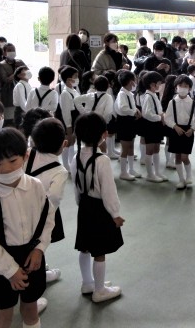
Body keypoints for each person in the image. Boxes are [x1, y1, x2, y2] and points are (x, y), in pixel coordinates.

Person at [0, 128, 54, 328]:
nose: (6, 169)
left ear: (25, 156)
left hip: (32, 257)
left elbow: (47, 219)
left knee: (30, 308)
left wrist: (39, 249)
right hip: (0, 263)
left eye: (12, 161)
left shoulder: (36, 186)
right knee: (3, 316)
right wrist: (10, 271)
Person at [72, 112, 124, 303]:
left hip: (84, 206)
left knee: (85, 247)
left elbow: (76, 186)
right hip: (100, 209)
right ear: (104, 134)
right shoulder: (102, 160)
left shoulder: (76, 157)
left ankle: (87, 283)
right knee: (100, 252)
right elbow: (109, 191)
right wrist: (115, 213)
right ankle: (100, 290)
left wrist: (81, 204)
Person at [26, 118, 69, 283]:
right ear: (64, 144)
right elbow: (54, 198)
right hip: (41, 213)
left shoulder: (27, 154)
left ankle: (40, 269)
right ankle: (38, 276)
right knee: (37, 244)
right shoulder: (60, 171)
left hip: (17, 206)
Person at [165, 75, 195, 190]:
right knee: (177, 157)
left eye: (186, 86)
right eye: (180, 85)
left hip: (188, 131)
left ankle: (189, 176)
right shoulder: (172, 102)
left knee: (185, 156)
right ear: (176, 87)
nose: (183, 88)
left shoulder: (193, 103)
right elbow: (167, 118)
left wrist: (193, 129)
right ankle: (181, 179)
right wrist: (175, 126)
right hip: (176, 131)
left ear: (190, 88)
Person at [114, 71, 142, 181]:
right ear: (131, 82)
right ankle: (123, 172)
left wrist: (136, 110)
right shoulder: (122, 94)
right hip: (124, 122)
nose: (135, 82)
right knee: (125, 148)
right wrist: (134, 112)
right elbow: (123, 108)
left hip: (130, 122)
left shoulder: (129, 93)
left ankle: (131, 169)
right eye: (134, 80)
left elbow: (131, 107)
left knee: (131, 146)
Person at [140, 72, 166, 183]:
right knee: (150, 150)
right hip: (150, 125)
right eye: (158, 83)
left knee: (156, 148)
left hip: (156, 125)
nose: (160, 85)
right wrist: (160, 117)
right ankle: (150, 174)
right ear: (152, 84)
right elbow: (147, 114)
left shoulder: (154, 94)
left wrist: (162, 115)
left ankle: (157, 172)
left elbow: (158, 109)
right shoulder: (148, 97)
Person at [0, 43, 27, 124]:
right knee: (10, 117)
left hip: (22, 89)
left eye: (13, 50)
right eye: (9, 50)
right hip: (8, 92)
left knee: (21, 114)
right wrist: (17, 71)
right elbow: (6, 79)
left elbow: (28, 74)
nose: (12, 52)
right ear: (4, 53)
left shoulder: (20, 62)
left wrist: (23, 69)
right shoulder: (1, 64)